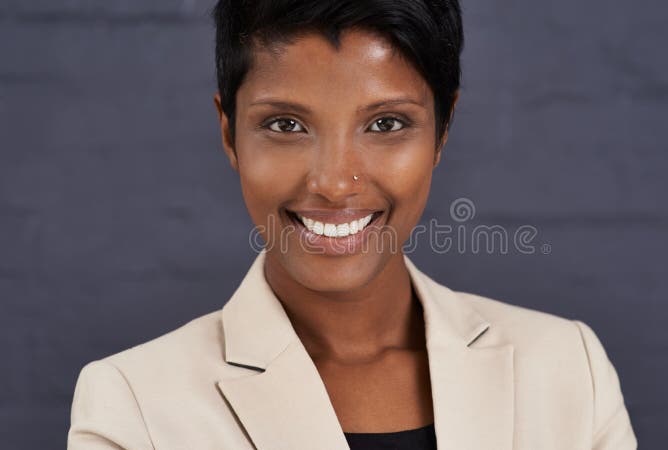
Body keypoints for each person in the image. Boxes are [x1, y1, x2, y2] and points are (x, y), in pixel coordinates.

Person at [67, 1, 637, 449]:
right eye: (286, 124)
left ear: (442, 130)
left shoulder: (568, 369)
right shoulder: (134, 404)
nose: (335, 183)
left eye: (386, 123)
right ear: (228, 132)